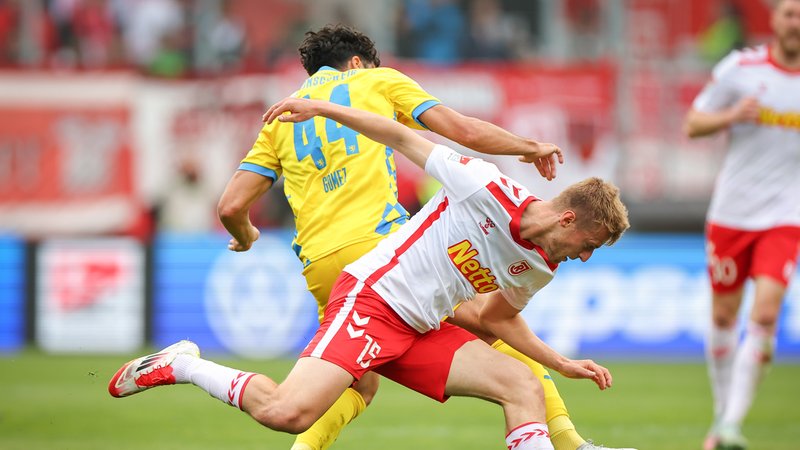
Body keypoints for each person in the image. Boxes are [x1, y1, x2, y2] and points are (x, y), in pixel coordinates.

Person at [109, 95, 631, 450]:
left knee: (523, 385)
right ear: (566, 218)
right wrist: (318, 107)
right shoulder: (485, 187)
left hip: (420, 329)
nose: (582, 259)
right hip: (372, 302)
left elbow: (498, 319)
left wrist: (560, 363)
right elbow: (399, 136)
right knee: (286, 413)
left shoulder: (541, 264)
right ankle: (183, 365)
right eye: (586, 246)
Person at [211, 24, 631, 450]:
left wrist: (245, 235)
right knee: (496, 335)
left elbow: (231, 206)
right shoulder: (375, 79)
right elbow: (460, 131)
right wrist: (527, 146)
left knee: (357, 383)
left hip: (322, 265)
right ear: (357, 62)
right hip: (384, 252)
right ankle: (571, 444)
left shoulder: (282, 116)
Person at [683, 1, 800, 449]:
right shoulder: (741, 69)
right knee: (722, 317)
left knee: (766, 314)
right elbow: (693, 124)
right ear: (774, 19)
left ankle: (731, 425)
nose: (796, 23)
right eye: (790, 13)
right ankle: (721, 418)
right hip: (732, 213)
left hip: (786, 215)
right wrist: (732, 116)